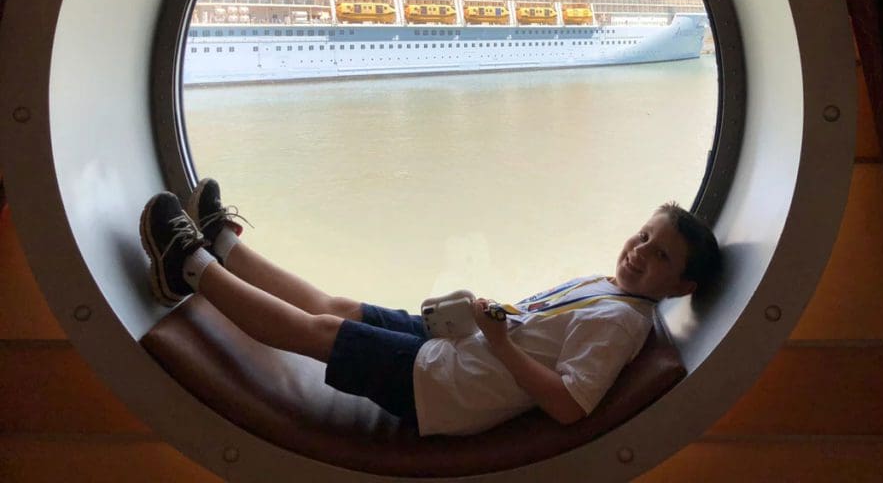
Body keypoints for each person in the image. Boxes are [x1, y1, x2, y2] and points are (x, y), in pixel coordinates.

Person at [139, 181, 721, 436]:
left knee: (318, 330)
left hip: (441, 388)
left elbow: (570, 405)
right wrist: (483, 312)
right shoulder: (608, 287)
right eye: (645, 236)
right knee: (337, 304)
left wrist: (496, 341)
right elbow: (537, 328)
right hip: (454, 347)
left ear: (682, 286)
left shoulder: (623, 322)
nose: (640, 251)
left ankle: (188, 268)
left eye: (661, 254)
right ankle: (224, 245)